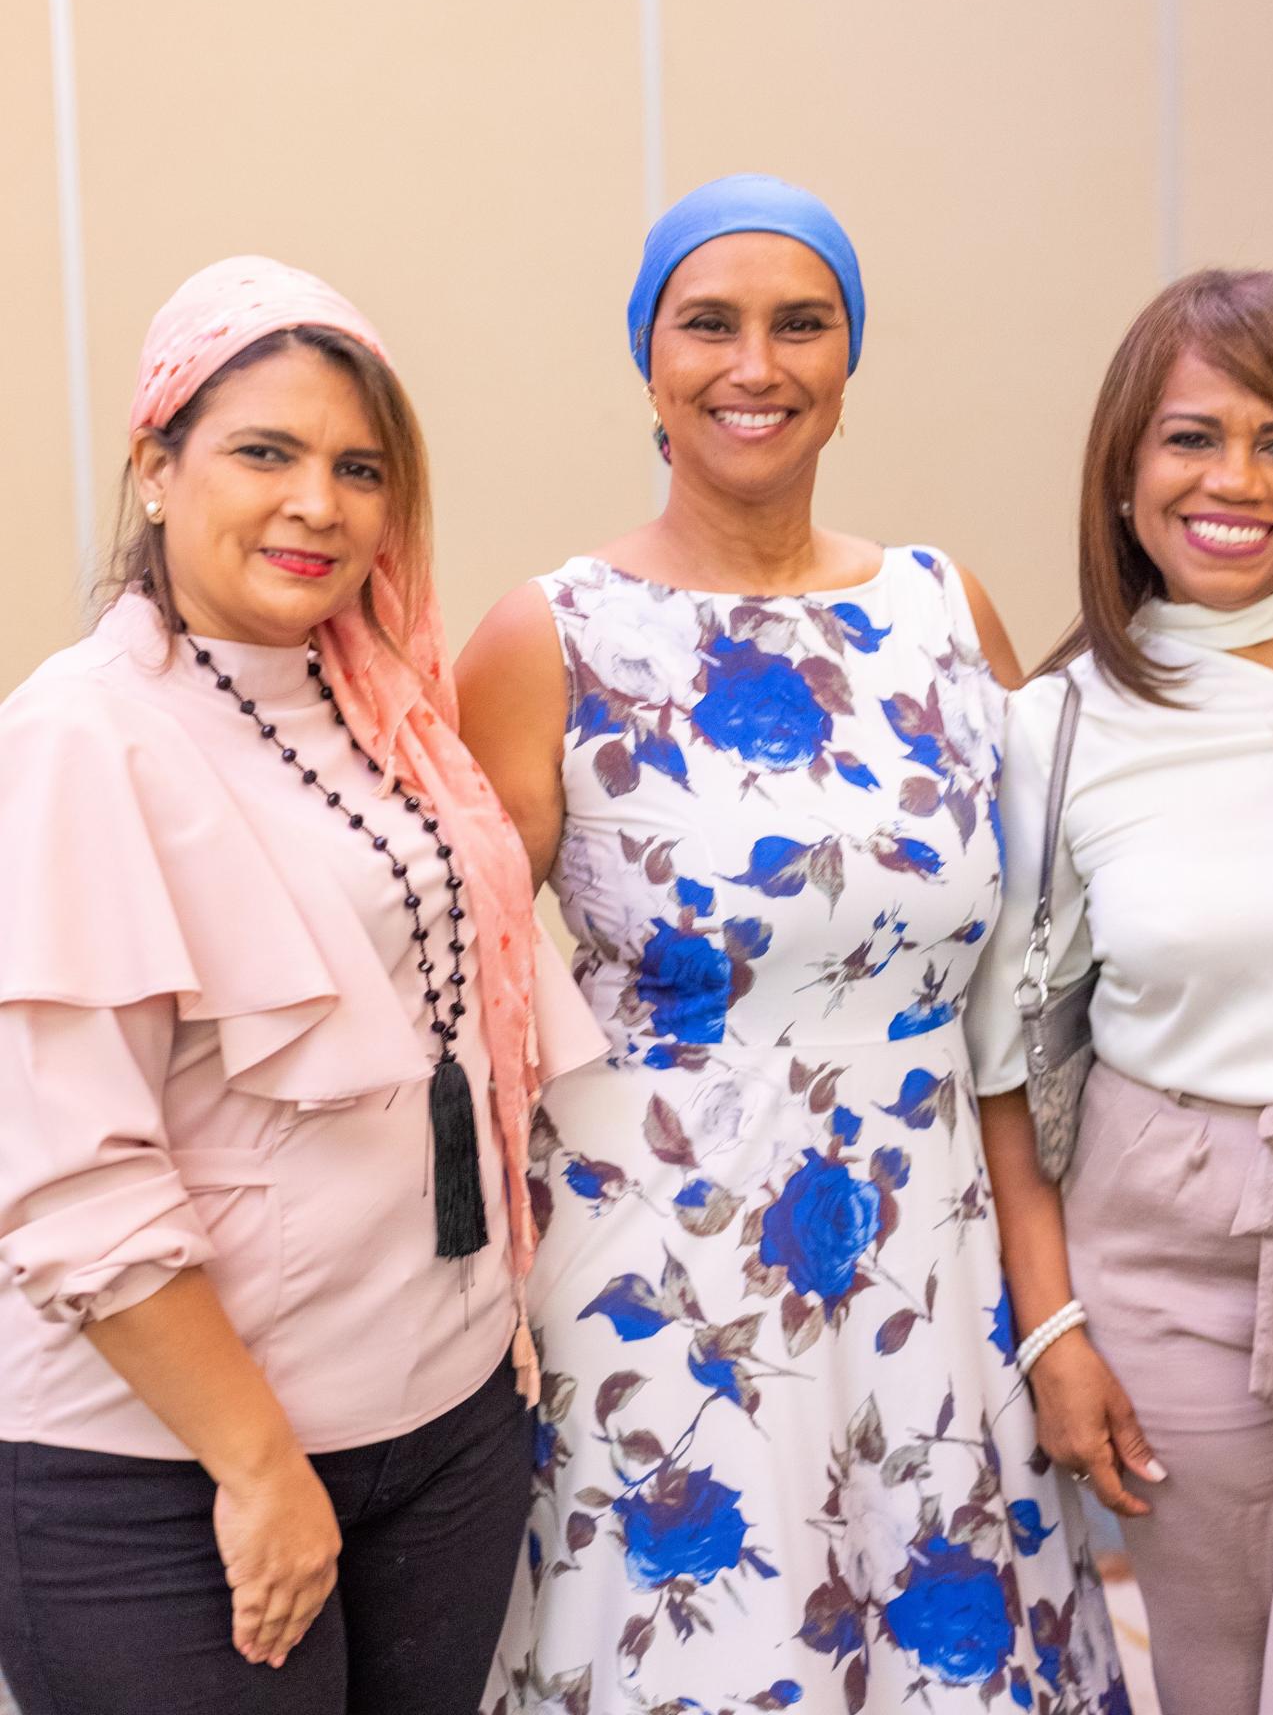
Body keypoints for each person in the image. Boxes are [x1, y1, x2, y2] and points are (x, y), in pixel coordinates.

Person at [458, 176, 1127, 1712]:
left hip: (931, 1253)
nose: (752, 365)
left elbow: (1022, 992)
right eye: (708, 324)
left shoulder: (942, 608)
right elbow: (468, 1002)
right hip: (658, 1266)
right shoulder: (548, 634)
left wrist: (1054, 1302)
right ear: (647, 362)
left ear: (846, 362)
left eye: (797, 325)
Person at [0, 256, 602, 1715]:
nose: (316, 504)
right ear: (157, 466)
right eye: (263, 453)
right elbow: (70, 1177)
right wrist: (259, 1467)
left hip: (444, 1422)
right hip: (171, 1469)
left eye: (358, 468)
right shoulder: (86, 736)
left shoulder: (384, 702)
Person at [965, 267, 1273, 1715]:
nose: (1232, 479)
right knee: (1218, 1683)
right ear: (1123, 475)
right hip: (1165, 1241)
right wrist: (1053, 1331)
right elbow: (1003, 1058)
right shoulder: (1050, 731)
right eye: (1190, 436)